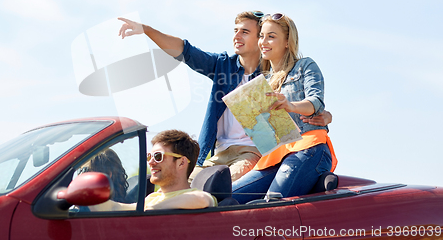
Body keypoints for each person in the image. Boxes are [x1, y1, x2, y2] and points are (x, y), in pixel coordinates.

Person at [118, 12, 333, 181]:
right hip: (217, 153)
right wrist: (146, 30)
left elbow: (302, 101)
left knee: (216, 186)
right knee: (181, 185)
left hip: (253, 153)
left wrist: (326, 115)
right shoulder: (223, 65)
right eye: (235, 30)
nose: (236, 37)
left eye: (245, 32)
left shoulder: (274, 74)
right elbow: (185, 51)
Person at [232, 13, 338, 203]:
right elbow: (266, 134)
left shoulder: (305, 66)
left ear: (287, 42)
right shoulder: (262, 81)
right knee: (228, 197)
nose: (264, 41)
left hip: (308, 148)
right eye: (262, 36)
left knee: (271, 202)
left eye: (271, 36)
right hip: (275, 155)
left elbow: (315, 102)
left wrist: (290, 106)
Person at [89, 129, 217, 211]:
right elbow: (119, 207)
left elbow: (203, 199)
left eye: (158, 156)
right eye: (149, 156)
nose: (150, 162)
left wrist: (155, 209)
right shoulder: (153, 197)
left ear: (181, 162)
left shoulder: (194, 197)